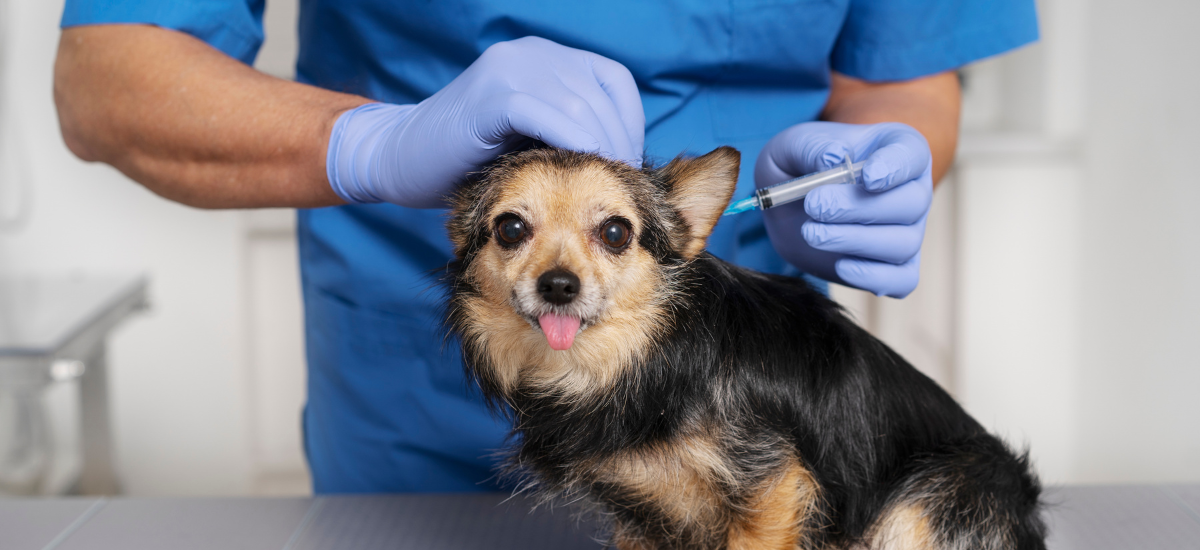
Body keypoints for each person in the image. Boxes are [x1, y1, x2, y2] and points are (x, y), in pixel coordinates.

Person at [54, 1, 1037, 493]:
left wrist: (864, 170)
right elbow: (107, 76)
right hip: (421, 426)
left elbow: (904, 74)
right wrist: (374, 144)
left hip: (741, 400)